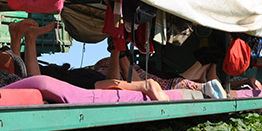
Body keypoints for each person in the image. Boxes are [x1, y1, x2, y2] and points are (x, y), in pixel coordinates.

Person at [8, 19, 171, 101]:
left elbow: (109, 82)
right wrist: (140, 85)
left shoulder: (102, 74)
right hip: (81, 78)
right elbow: (108, 82)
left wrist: (117, 53)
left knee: (30, 80)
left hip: (79, 78)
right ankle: (24, 38)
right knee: (30, 80)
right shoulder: (101, 73)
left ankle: (22, 38)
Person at [93, 49, 227, 98]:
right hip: (140, 73)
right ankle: (206, 62)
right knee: (172, 81)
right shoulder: (102, 67)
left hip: (138, 73)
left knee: (171, 82)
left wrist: (118, 53)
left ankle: (206, 62)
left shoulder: (100, 67)